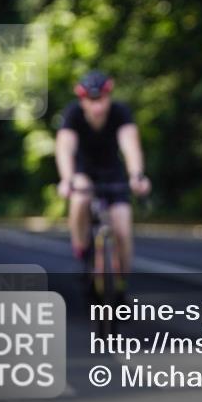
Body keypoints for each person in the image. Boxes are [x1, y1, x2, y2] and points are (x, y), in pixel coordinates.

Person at [55, 70, 151, 291]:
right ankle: (81, 251)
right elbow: (65, 148)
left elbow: (130, 145)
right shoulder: (73, 114)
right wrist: (67, 180)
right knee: (80, 198)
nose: (97, 106)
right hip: (83, 173)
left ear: (109, 96)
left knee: (123, 229)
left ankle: (121, 282)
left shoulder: (120, 112)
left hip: (113, 174)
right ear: (82, 100)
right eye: (91, 100)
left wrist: (137, 175)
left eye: (101, 99)